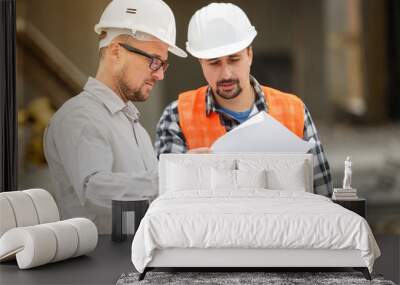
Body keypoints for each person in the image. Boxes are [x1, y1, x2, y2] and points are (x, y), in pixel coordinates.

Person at [155, 3, 333, 196]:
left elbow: (323, 195)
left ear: (249, 54)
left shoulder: (294, 111)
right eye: (214, 63)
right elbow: (167, 204)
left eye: (234, 59)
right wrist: (184, 172)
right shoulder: (177, 116)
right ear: (201, 62)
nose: (226, 74)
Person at [44, 0, 186, 233]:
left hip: (135, 258)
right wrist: (174, 180)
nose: (159, 74)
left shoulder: (134, 126)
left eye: (163, 65)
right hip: (98, 264)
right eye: (154, 61)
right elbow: (95, 191)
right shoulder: (79, 117)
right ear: (116, 51)